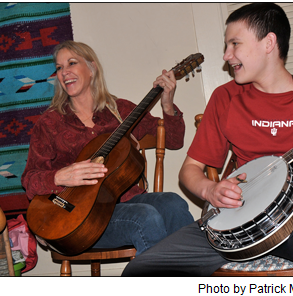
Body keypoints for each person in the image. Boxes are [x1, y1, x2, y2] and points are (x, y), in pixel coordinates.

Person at [122, 3, 293, 276]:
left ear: (269, 43)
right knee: (141, 271)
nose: (226, 55)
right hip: (235, 221)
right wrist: (210, 190)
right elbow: (189, 171)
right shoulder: (225, 98)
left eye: (234, 44)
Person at [21, 40, 193, 256]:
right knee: (146, 216)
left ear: (92, 69)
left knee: (174, 203)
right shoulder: (49, 123)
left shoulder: (120, 111)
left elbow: (174, 141)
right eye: (59, 67)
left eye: (72, 63)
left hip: (128, 201)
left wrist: (167, 103)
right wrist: (60, 176)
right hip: (80, 218)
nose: (64, 72)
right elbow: (30, 180)